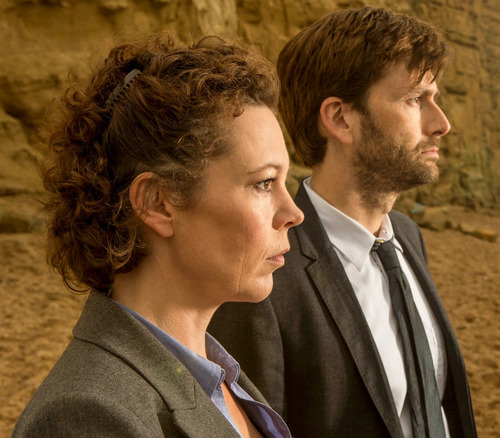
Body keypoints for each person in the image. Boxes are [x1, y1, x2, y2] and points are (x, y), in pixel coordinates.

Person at [12, 32, 303, 437]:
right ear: (157, 202)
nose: (293, 213)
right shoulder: (86, 415)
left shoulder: (223, 379)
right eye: (263, 183)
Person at [210, 6, 477, 438]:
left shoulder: (405, 237)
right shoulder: (265, 274)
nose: (440, 123)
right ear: (339, 118)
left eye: (435, 98)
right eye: (415, 99)